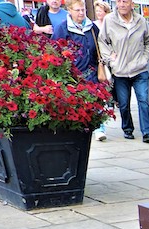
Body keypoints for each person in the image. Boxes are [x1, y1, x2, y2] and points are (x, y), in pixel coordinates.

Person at [99, 0, 149, 142]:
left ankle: (147, 132)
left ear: (132, 4)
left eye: (125, 1)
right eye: (119, 1)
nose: (122, 4)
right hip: (120, 70)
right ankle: (128, 128)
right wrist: (111, 58)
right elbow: (102, 41)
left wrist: (145, 57)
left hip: (139, 69)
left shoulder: (140, 21)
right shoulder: (109, 20)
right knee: (123, 104)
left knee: (143, 101)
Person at [53, 0, 107, 141]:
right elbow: (55, 51)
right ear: (69, 10)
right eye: (78, 10)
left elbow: (100, 47)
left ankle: (99, 128)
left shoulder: (92, 27)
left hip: (92, 71)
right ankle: (78, 130)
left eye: (83, 9)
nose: (81, 13)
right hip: (73, 74)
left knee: (95, 100)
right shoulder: (62, 29)